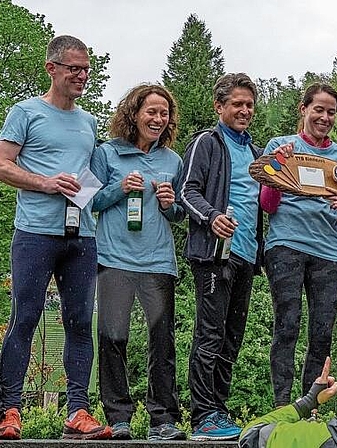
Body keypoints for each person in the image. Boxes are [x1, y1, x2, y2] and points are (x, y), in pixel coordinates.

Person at [0, 35, 111, 440]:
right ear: (52, 68)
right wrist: (46, 183)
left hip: (81, 234)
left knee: (81, 321)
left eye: (86, 69)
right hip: (34, 234)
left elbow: (94, 171)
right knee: (25, 319)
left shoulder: (89, 122)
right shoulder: (25, 112)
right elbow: (3, 164)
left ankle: (78, 411)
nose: (82, 75)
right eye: (74, 68)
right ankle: (9, 410)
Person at [91, 84, 186, 441]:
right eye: (151, 112)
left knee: (162, 341)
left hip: (158, 261)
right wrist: (119, 189)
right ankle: (118, 417)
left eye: (164, 114)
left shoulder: (172, 161)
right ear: (134, 114)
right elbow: (92, 202)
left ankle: (163, 419)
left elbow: (177, 214)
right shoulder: (107, 154)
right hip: (114, 259)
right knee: (114, 338)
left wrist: (168, 203)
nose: (158, 119)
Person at [177, 72, 263, 441]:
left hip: (244, 254)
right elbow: (186, 191)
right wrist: (212, 218)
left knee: (232, 336)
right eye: (237, 104)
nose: (244, 110)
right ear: (219, 106)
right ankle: (202, 416)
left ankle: (220, 410)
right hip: (213, 256)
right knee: (209, 335)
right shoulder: (207, 143)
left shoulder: (256, 152)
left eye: (249, 105)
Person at [261, 83, 337, 407]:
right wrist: (277, 165)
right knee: (287, 325)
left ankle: (310, 406)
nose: (325, 117)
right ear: (303, 110)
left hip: (327, 253)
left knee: (322, 332)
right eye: (318, 109)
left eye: (331, 112)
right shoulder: (280, 146)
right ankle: (281, 406)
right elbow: (267, 204)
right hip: (286, 244)